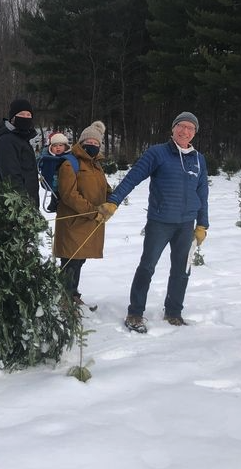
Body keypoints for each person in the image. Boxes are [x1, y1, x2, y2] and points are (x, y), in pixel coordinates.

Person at [99, 112, 209, 333]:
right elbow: (133, 177)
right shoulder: (157, 153)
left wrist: (202, 224)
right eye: (181, 126)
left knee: (181, 270)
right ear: (173, 128)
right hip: (160, 222)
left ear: (194, 133)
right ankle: (135, 313)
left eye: (190, 128)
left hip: (186, 225)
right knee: (147, 266)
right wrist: (113, 201)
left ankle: (174, 312)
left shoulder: (199, 159)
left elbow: (202, 193)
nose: (185, 131)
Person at [53, 121, 111, 305]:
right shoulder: (70, 164)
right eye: (89, 142)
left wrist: (111, 202)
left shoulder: (96, 166)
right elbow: (69, 195)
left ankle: (72, 294)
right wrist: (93, 211)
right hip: (73, 223)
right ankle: (65, 299)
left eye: (96, 143)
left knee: (79, 261)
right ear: (82, 142)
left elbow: (105, 188)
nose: (92, 146)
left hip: (89, 223)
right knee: (70, 261)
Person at [0, 98, 39, 208]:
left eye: (29, 115)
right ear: (13, 118)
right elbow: (11, 177)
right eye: (22, 114)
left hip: (29, 203)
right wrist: (24, 206)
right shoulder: (7, 141)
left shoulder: (22, 140)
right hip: (14, 206)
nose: (26, 118)